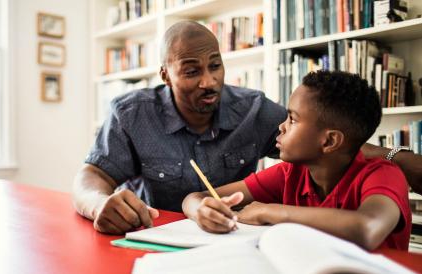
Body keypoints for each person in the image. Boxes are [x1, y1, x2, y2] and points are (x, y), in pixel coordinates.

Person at [73, 20, 422, 235]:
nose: (210, 81)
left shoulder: (253, 110)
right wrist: (97, 204)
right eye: (192, 71)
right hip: (155, 240)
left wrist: (395, 157)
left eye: (215, 65)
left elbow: (330, 143)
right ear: (166, 75)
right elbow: (92, 177)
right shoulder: (131, 113)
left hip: (233, 242)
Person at [182, 71, 411, 251]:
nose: (281, 127)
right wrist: (200, 210)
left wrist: (271, 212)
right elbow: (196, 198)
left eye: (292, 119)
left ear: (330, 141)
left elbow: (366, 228)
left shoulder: (384, 175)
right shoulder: (290, 173)